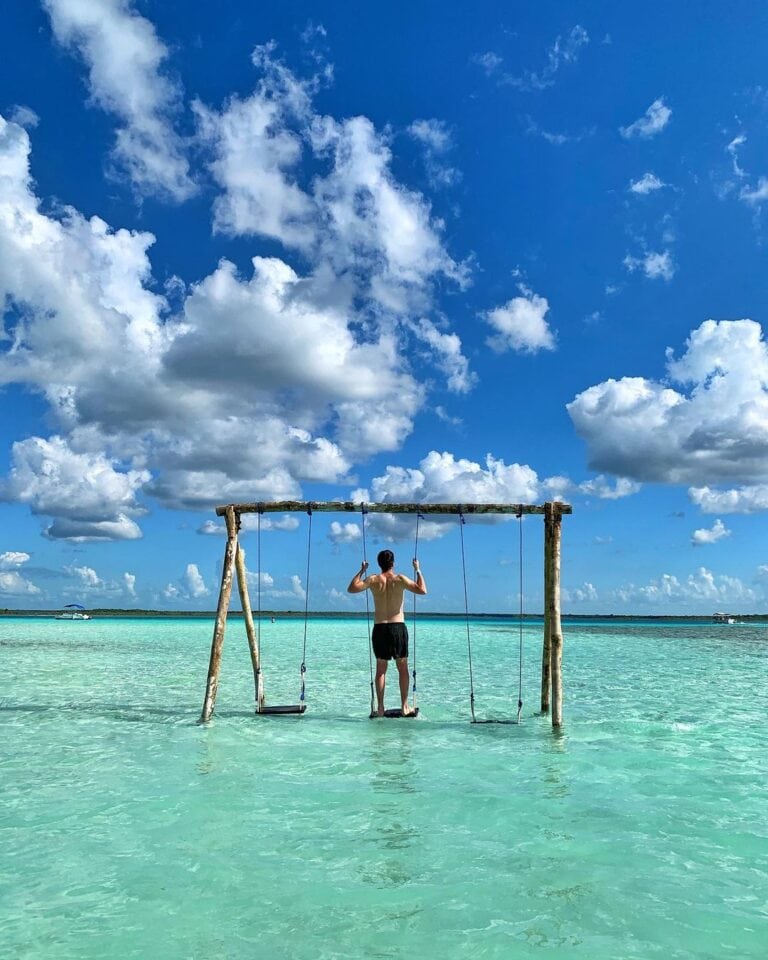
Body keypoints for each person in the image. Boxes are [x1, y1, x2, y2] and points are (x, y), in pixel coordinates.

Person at [347, 549, 427, 717]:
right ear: (393, 563)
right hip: (398, 627)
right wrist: (417, 569)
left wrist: (362, 570)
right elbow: (422, 590)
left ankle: (381, 708)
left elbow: (352, 588)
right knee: (402, 668)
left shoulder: (373, 580)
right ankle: (405, 707)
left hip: (380, 628)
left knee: (381, 670)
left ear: (379, 564)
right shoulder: (400, 579)